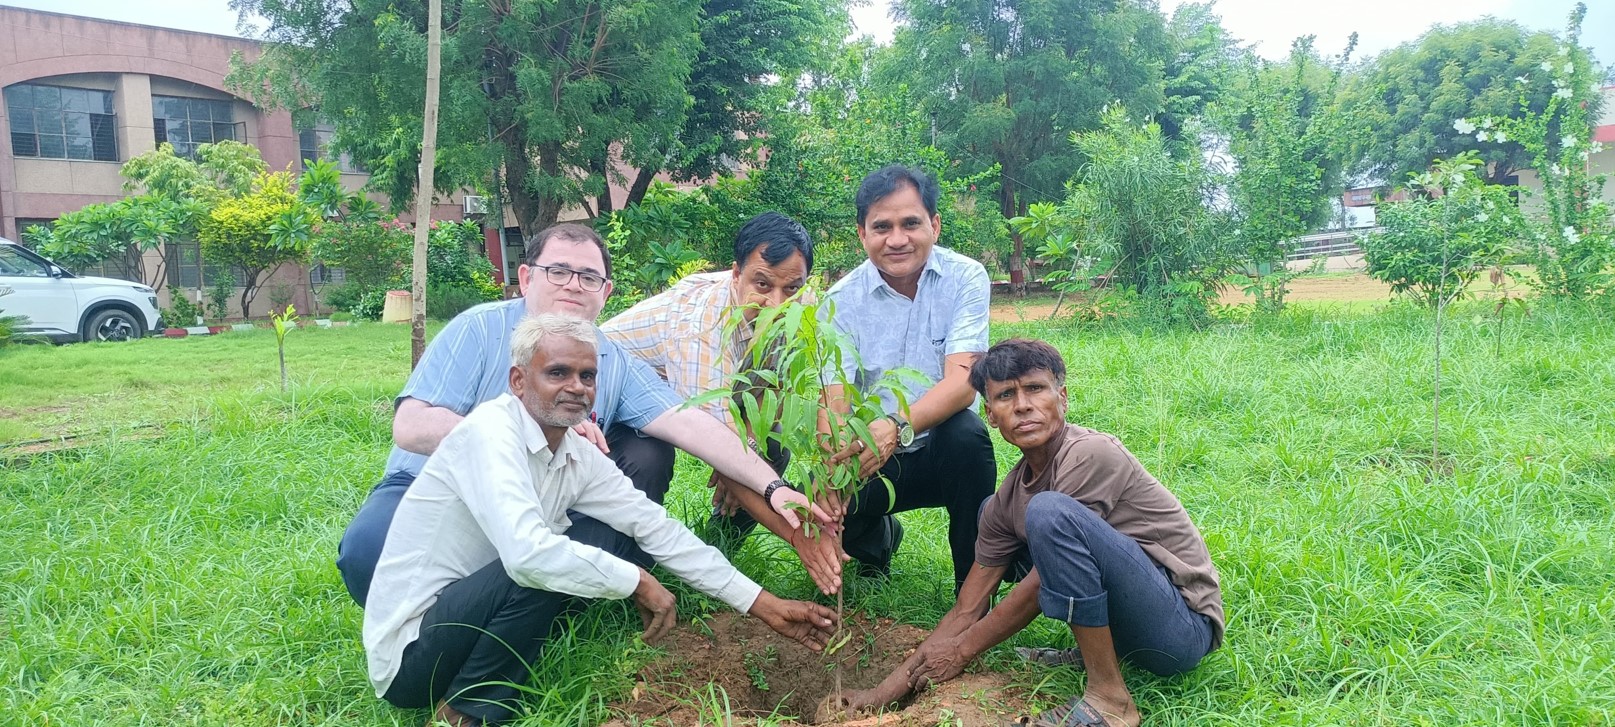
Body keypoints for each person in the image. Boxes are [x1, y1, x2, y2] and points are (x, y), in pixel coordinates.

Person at [364, 313, 837, 726]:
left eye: (587, 375)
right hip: (411, 658)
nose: (576, 387)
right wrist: (635, 581)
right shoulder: (490, 433)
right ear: (518, 381)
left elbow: (658, 530)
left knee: (605, 534)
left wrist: (763, 604)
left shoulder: (573, 454)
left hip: (467, 619)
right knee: (540, 561)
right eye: (558, 372)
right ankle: (466, 711)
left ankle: (482, 686)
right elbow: (527, 558)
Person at [338, 223, 839, 607]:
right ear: (527, 277)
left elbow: (696, 426)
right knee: (368, 553)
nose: (573, 285)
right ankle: (449, 624)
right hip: (436, 491)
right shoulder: (479, 329)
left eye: (589, 276)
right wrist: (521, 435)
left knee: (645, 457)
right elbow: (411, 426)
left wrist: (776, 489)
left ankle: (572, 594)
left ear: (606, 292)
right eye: (559, 271)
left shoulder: (612, 359)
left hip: (545, 506)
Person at [835, 339, 1224, 727]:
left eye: (1035, 389)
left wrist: (962, 650)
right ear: (990, 414)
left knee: (1049, 515)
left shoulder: (1090, 453)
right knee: (1005, 512)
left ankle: (1110, 699)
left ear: (1063, 397)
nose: (1022, 405)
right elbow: (967, 608)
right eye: (1006, 395)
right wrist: (880, 696)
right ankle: (1105, 652)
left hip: (1181, 629)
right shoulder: (1010, 497)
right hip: (1135, 630)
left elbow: (1039, 585)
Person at [601, 212, 840, 570]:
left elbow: (783, 384)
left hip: (689, 399)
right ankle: (630, 572)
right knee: (649, 460)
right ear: (735, 274)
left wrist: (756, 450)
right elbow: (711, 437)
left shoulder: (800, 303)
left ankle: (719, 549)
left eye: (790, 288)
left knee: (770, 443)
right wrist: (797, 534)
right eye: (762, 285)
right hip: (608, 405)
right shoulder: (700, 325)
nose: (777, 304)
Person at [818, 164, 998, 590]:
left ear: (934, 225)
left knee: (966, 435)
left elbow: (962, 381)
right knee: (814, 497)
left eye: (910, 223)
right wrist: (832, 471)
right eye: (882, 226)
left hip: (941, 450)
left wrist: (896, 427)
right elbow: (836, 401)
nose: (896, 239)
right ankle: (877, 542)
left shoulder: (965, 278)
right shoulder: (840, 301)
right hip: (872, 459)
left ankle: (970, 597)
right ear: (861, 234)